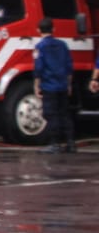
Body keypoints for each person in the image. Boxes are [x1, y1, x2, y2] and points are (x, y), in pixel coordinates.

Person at [34, 18, 76, 153]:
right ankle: (70, 143)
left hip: (49, 86)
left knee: (51, 114)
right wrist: (69, 84)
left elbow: (38, 68)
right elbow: (69, 66)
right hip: (62, 84)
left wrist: (36, 85)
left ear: (38, 30)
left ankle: (55, 143)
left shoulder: (40, 47)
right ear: (53, 29)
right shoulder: (63, 45)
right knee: (64, 114)